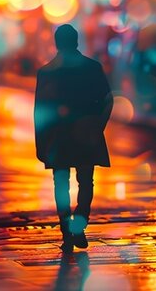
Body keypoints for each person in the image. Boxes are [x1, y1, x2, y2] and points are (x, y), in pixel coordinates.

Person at [34, 24, 113, 253]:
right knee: (86, 182)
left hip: (59, 138)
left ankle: (66, 232)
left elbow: (41, 112)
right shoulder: (93, 68)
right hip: (87, 135)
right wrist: (98, 127)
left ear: (57, 43)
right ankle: (79, 224)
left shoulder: (47, 72)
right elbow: (108, 100)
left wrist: (41, 143)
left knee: (61, 185)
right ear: (77, 41)